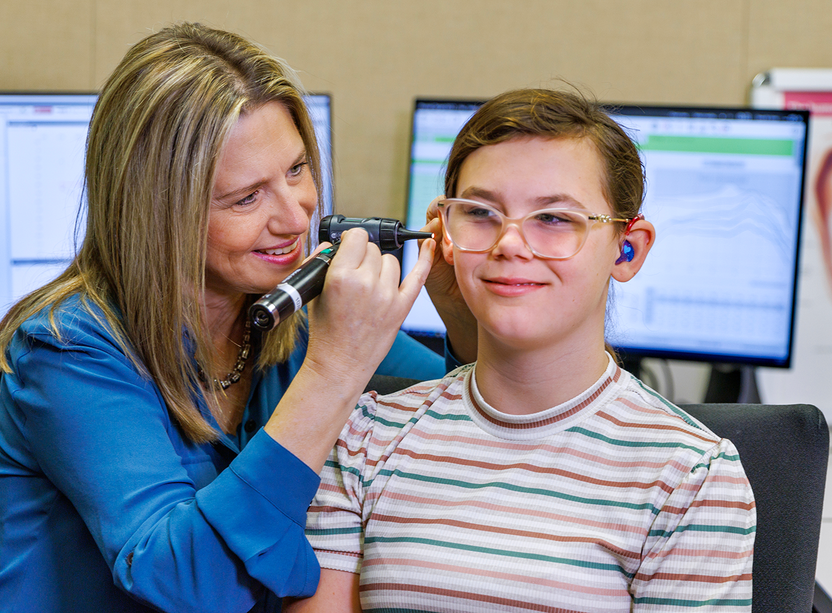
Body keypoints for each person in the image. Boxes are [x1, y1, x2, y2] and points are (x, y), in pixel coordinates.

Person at [0, 22, 473, 613]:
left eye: (298, 170)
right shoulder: (70, 348)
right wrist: (336, 369)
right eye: (246, 198)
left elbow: (457, 415)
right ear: (159, 215)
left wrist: (460, 319)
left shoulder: (290, 316)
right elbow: (189, 585)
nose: (295, 217)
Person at [287, 88, 756, 612]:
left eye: (554, 219)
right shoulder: (363, 438)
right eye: (482, 213)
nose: (509, 243)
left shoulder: (689, 476)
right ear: (444, 236)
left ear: (628, 249)